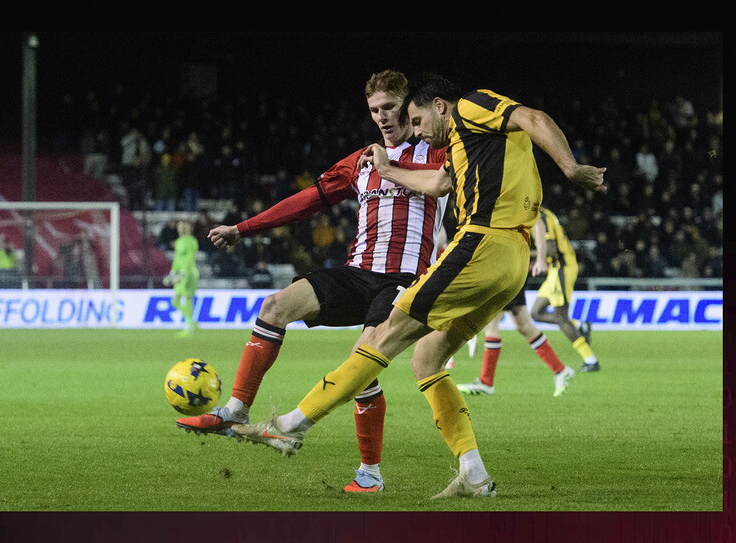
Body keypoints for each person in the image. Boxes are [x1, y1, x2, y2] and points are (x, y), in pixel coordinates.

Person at [231, 73, 606, 499]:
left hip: (483, 240)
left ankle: (290, 425)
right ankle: (474, 473)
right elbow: (438, 183)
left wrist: (571, 167)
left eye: (417, 119)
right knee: (427, 360)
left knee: (389, 331)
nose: (418, 130)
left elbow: (535, 117)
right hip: (511, 263)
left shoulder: (471, 105)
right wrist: (389, 169)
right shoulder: (464, 149)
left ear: (439, 106)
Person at [175, 70, 449, 493]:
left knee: (363, 363)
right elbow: (304, 203)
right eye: (375, 110)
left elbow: (457, 186)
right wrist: (242, 229)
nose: (382, 116)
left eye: (390, 107)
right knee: (274, 307)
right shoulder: (359, 162)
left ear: (408, 105)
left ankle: (370, 474)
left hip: (404, 277)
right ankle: (235, 410)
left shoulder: (438, 152)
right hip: (357, 272)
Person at [456, 212, 576, 397]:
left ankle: (486, 382)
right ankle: (560, 370)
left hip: (507, 265)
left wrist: (541, 258)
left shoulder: (510, 193)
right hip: (511, 264)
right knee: (523, 324)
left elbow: (537, 221)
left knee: (492, 322)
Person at [529, 206, 601, 372]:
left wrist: (528, 254)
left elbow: (550, 249)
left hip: (561, 268)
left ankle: (590, 359)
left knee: (562, 317)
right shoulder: (545, 214)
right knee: (536, 313)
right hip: (556, 269)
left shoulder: (542, 218)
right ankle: (579, 324)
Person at [164, 221, 199, 337]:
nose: (181, 229)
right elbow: (177, 259)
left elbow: (190, 257)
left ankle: (189, 326)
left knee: (187, 298)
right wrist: (173, 272)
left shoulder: (192, 241)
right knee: (175, 301)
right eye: (179, 227)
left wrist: (185, 271)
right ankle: (191, 321)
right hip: (180, 274)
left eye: (182, 227)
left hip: (189, 273)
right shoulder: (178, 242)